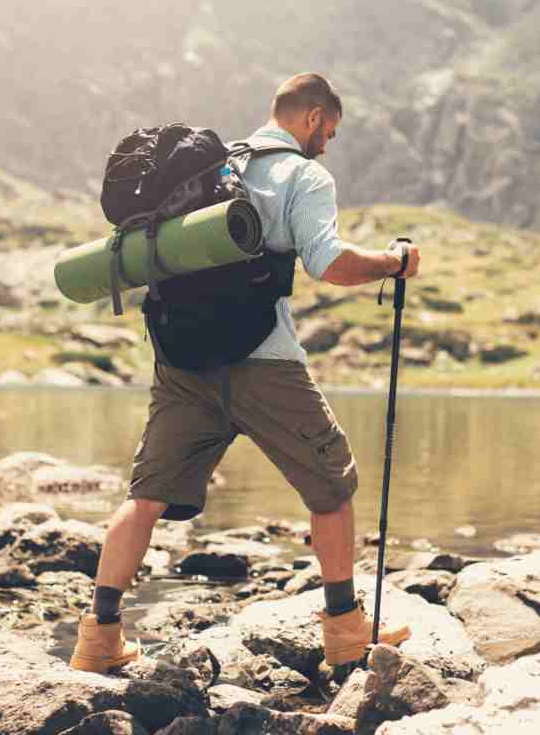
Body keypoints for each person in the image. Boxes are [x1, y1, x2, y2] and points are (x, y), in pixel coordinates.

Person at [70, 73, 419, 674]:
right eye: (329, 132)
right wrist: (395, 261)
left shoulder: (211, 166)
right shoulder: (305, 175)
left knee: (145, 497)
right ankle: (345, 631)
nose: (328, 144)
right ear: (312, 119)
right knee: (332, 485)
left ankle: (99, 638)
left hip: (181, 363)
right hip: (263, 361)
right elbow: (329, 263)